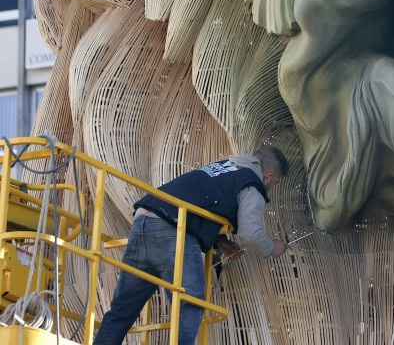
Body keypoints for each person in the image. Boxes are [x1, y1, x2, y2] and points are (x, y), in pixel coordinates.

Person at [93, 148, 291, 345]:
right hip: (172, 228)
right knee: (190, 302)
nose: (270, 187)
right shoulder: (251, 183)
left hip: (144, 222)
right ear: (267, 176)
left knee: (122, 310)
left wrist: (219, 240)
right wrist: (271, 247)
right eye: (275, 183)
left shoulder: (223, 167)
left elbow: (200, 202)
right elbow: (251, 232)